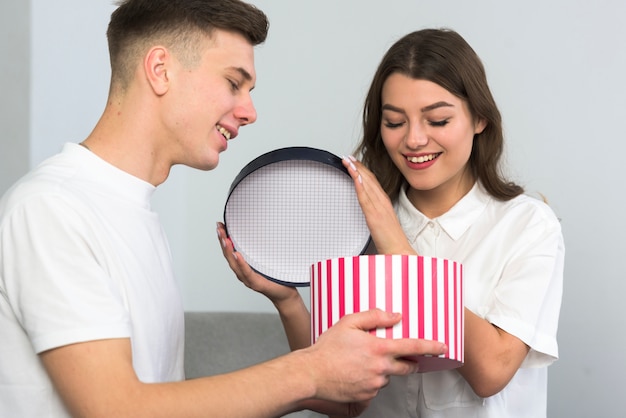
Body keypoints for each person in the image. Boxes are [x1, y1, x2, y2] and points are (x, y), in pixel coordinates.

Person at [0, 2, 450, 417]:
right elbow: (115, 408)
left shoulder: (130, 212)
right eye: (234, 83)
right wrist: (310, 369)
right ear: (160, 70)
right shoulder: (50, 209)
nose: (250, 111)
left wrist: (312, 345)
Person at [217, 28, 564, 417]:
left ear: (479, 118)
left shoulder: (528, 225)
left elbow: (492, 373)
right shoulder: (354, 224)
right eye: (395, 122)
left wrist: (396, 246)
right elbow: (339, 397)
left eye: (437, 120)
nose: (414, 139)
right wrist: (286, 300)